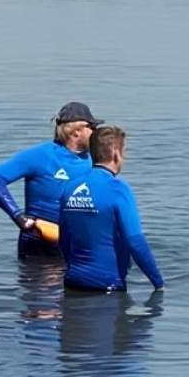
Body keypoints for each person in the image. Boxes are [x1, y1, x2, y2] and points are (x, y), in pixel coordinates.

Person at [0, 102, 102, 258]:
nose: (96, 132)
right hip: (40, 243)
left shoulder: (94, 158)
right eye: (92, 127)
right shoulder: (42, 155)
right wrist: (18, 217)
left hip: (77, 243)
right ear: (77, 131)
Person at [57, 125, 164, 293]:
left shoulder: (69, 187)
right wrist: (158, 283)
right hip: (107, 287)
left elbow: (63, 238)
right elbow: (135, 242)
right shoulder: (119, 189)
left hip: (72, 283)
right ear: (116, 153)